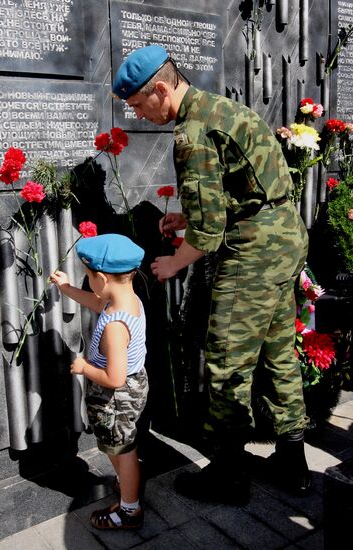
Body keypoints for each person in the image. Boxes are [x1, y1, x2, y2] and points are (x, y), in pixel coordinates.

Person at [112, 45, 311, 504]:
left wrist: (173, 261)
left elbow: (209, 231)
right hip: (284, 235)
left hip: (253, 255)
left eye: (141, 105)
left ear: (161, 89)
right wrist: (187, 218)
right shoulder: (220, 107)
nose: (142, 115)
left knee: (227, 362)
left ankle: (227, 473)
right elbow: (241, 187)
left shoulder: (191, 133)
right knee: (279, 349)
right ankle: (293, 459)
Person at [50, 233, 148, 529]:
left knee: (122, 449)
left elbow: (114, 378)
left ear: (103, 279)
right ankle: (127, 482)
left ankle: (129, 510)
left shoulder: (115, 327)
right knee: (119, 445)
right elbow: (95, 302)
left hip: (117, 395)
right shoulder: (126, 300)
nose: (88, 282)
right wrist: (65, 287)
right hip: (134, 385)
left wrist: (83, 367)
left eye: (89, 276)